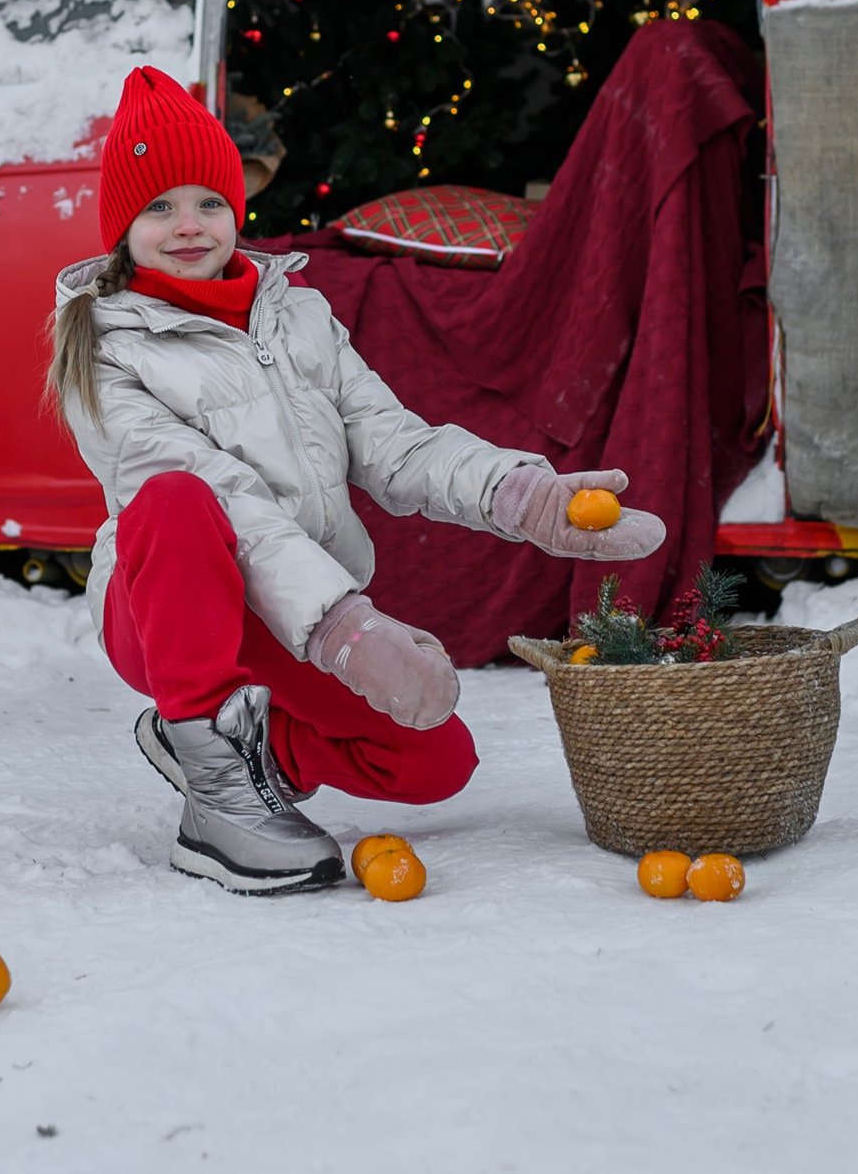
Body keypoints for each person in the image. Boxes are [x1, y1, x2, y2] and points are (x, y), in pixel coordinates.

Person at [49, 68, 665, 894]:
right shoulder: (106, 344)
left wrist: (521, 494)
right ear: (123, 225)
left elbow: (393, 444)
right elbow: (222, 491)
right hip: (166, 608)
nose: (188, 225)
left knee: (434, 757)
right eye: (158, 206)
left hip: (288, 611)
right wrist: (344, 627)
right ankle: (218, 792)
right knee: (177, 498)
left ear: (239, 208)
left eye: (208, 202)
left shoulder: (298, 314)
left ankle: (250, 748)